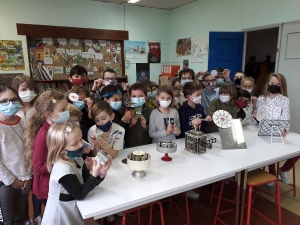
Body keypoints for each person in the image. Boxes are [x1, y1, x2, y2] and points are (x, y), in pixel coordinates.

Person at [41, 123, 112, 225]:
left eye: (80, 139)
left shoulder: (77, 158)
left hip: (72, 209)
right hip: (59, 217)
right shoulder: (63, 169)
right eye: (75, 144)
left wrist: (101, 173)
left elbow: (85, 182)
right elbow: (79, 194)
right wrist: (95, 174)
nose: (81, 145)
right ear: (61, 150)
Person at [24, 90, 69, 206]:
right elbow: (38, 169)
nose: (67, 112)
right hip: (47, 189)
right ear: (48, 114)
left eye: (67, 108)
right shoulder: (43, 136)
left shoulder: (58, 128)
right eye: (62, 110)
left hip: (58, 182)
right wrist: (59, 157)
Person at [0, 85, 32, 225]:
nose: (10, 104)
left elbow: (29, 150)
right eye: (4, 101)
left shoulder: (22, 121)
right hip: (7, 184)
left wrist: (28, 176)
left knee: (23, 217)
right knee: (9, 221)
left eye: (13, 99)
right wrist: (12, 181)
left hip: (25, 179)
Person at [256, 73, 294, 185]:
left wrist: (284, 130)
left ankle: (284, 170)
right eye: (272, 83)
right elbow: (259, 117)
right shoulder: (261, 99)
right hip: (264, 132)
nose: (274, 85)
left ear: (282, 86)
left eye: (278, 84)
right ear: (268, 84)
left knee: (296, 151)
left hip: (279, 131)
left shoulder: (284, 100)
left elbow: (286, 116)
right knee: (270, 151)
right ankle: (272, 174)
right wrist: (255, 115)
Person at [125, 83, 153, 148]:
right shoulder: (126, 111)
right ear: (130, 97)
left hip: (146, 146)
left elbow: (154, 131)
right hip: (130, 147)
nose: (137, 99)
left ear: (145, 97)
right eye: (134, 96)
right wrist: (130, 125)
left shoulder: (150, 111)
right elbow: (122, 131)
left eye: (140, 96)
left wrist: (145, 126)